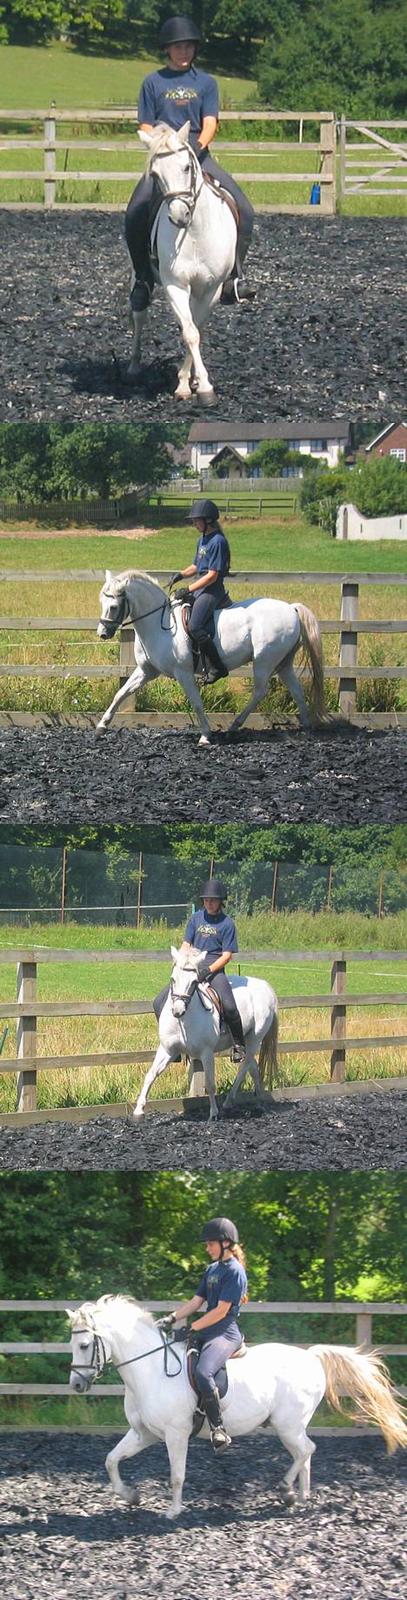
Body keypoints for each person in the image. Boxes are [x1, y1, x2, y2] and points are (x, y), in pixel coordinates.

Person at [125, 14, 255, 311]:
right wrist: (163, 145)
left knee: (245, 210)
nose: (184, 52)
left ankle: (234, 278)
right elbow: (144, 125)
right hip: (165, 159)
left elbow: (210, 123)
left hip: (198, 154)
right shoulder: (152, 83)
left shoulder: (206, 83)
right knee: (135, 212)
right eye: (177, 47)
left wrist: (195, 149)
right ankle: (144, 280)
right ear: (167, 49)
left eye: (188, 46)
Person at [166, 1216, 248, 1451]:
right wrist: (172, 1317)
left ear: (225, 1243)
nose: (207, 1248)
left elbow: (221, 1311)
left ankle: (218, 1428)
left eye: (210, 1243)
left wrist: (192, 1327)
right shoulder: (212, 1270)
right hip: (208, 1330)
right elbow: (196, 1301)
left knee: (203, 1372)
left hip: (225, 1333)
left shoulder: (235, 1272)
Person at [153, 877, 246, 1062]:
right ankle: (174, 1047)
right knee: (158, 1002)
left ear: (221, 901)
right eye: (205, 900)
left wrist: (209, 970)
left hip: (214, 969)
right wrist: (181, 962)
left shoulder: (227, 924)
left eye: (212, 900)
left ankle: (238, 1045)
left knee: (230, 1007)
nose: (209, 903)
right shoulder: (196, 919)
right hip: (191, 969)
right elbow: (186, 943)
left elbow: (227, 955)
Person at [172, 498, 231, 684]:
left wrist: (188, 588)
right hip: (201, 587)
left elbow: (212, 575)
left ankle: (218, 667)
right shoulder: (203, 539)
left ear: (208, 521)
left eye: (196, 520)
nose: (194, 523)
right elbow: (196, 566)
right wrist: (180, 575)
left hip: (212, 591)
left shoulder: (218, 542)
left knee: (195, 626)